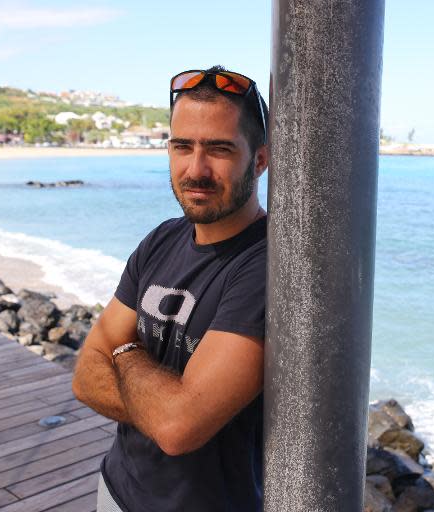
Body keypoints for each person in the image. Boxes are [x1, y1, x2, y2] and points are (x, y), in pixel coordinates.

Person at [72, 65, 269, 512]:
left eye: (218, 149)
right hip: (117, 487)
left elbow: (179, 427)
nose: (195, 169)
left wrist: (124, 352)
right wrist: (158, 407)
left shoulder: (269, 264)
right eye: (183, 147)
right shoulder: (162, 238)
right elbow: (85, 376)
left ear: (259, 159)